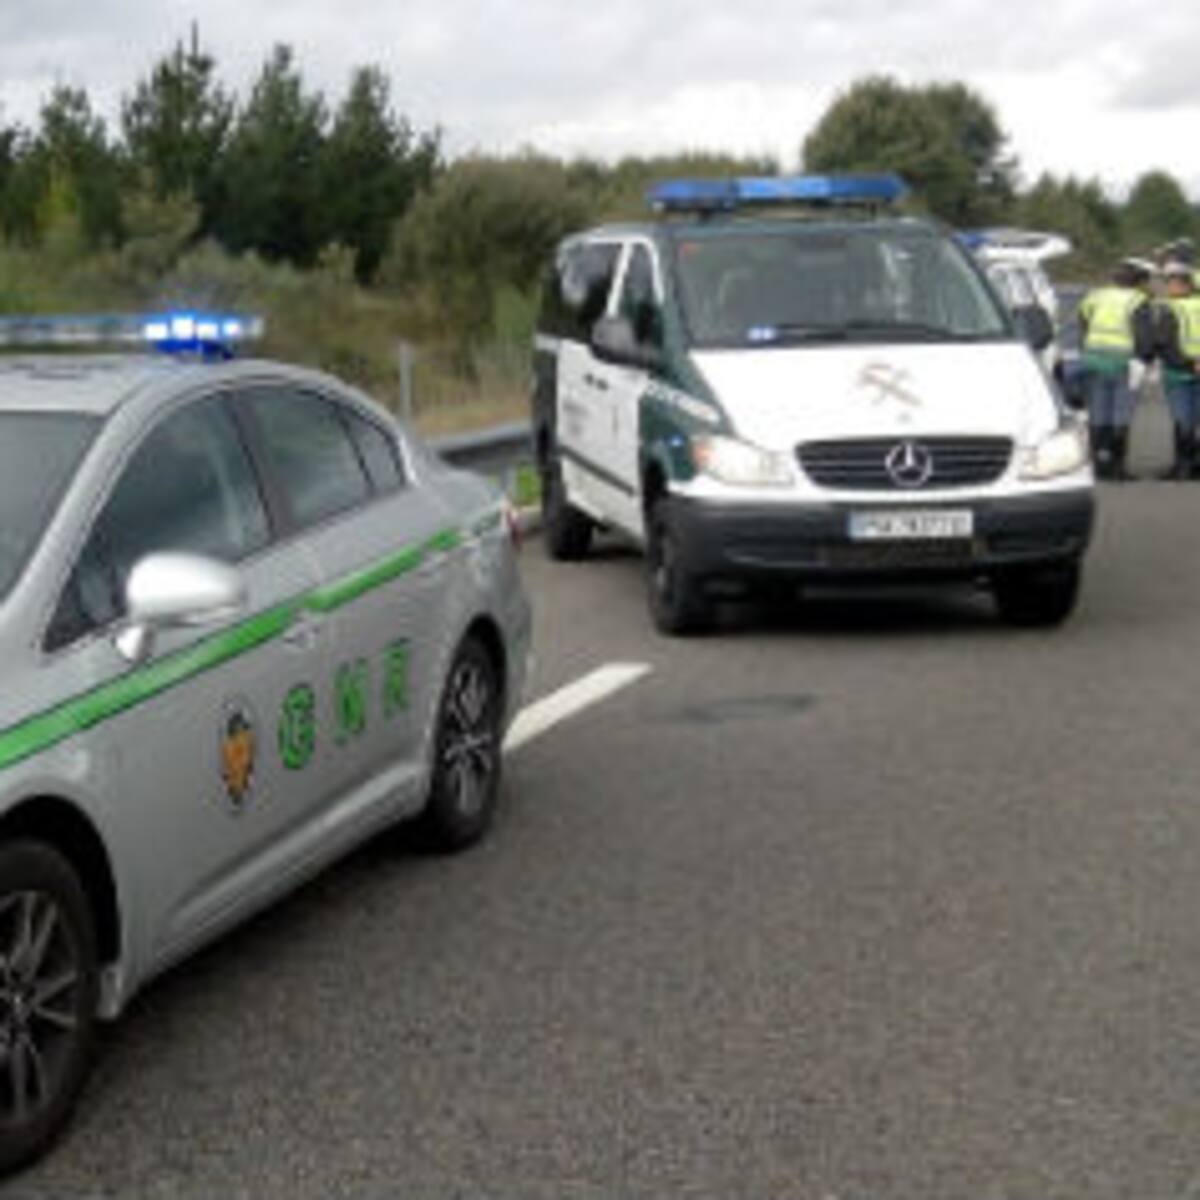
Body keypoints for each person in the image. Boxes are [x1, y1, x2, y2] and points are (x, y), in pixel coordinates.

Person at [1078, 259, 1157, 480]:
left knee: (1098, 412)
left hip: (1094, 359)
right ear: (1136, 282)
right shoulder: (1137, 301)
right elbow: (1145, 336)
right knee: (1121, 414)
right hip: (1123, 362)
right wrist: (1145, 359)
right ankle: (1117, 467)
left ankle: (1098, 465)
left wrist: (1086, 349)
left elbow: (1083, 323)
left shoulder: (1095, 296)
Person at [1157, 261, 1200, 479]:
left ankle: (1184, 466)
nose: (1168, 288)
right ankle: (1194, 464)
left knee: (1183, 419)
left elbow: (1166, 343)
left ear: (1180, 285)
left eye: (1170, 283)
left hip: (1178, 372)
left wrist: (1188, 362)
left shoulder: (1170, 309)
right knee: (1194, 419)